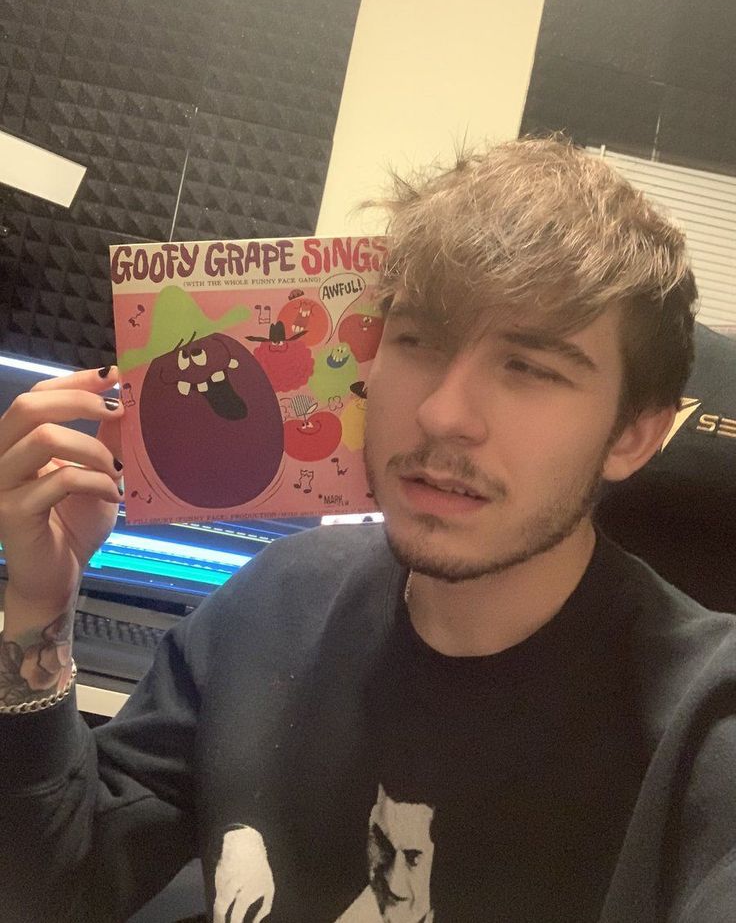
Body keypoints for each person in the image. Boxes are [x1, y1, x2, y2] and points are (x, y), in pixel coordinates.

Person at [0, 137, 735, 923]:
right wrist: (38, 604)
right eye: (417, 339)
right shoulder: (274, 601)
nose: (442, 412)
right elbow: (54, 884)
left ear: (635, 435)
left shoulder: (704, 726)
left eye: (530, 368)